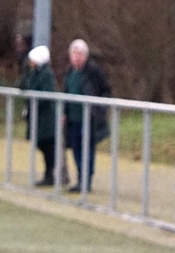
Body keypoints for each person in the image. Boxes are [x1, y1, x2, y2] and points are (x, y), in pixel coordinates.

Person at [64, 39, 111, 193]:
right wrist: (64, 112)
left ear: (85, 56)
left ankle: (86, 181)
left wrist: (98, 109)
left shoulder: (93, 71)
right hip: (73, 118)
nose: (76, 58)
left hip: (88, 119)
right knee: (75, 148)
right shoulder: (70, 72)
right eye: (74, 54)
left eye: (79, 54)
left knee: (87, 149)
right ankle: (80, 178)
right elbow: (66, 92)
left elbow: (105, 90)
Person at [19, 45, 59, 187]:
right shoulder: (33, 73)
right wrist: (25, 74)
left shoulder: (47, 74)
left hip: (45, 116)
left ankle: (50, 174)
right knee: (40, 143)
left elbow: (46, 93)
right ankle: (49, 173)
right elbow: (22, 86)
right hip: (36, 115)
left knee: (47, 144)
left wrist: (35, 101)